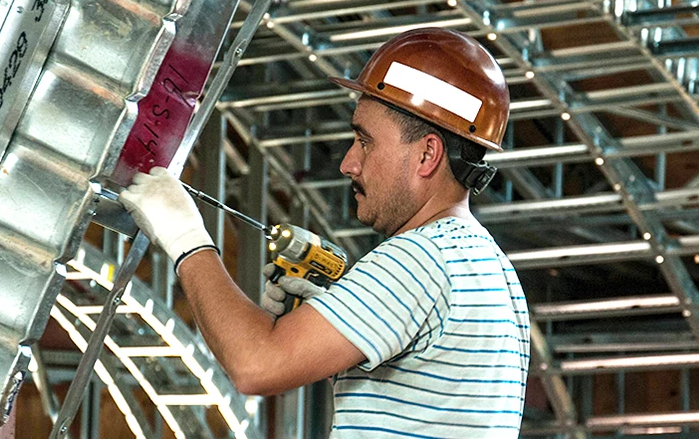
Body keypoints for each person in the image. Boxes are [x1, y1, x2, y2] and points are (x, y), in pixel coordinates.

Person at [120, 27, 529, 437]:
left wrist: (187, 239)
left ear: (427, 154)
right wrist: (325, 324)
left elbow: (256, 365)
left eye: (364, 141)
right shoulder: (490, 269)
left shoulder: (421, 259)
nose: (348, 163)